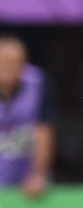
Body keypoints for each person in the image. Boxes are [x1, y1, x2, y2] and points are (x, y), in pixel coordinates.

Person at [0, 35, 55, 199]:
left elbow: (44, 132)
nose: (8, 68)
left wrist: (38, 174)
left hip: (24, 177)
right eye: (3, 62)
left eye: (14, 63)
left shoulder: (39, 84)